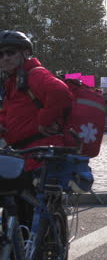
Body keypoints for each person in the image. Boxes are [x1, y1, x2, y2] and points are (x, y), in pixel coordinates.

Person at [0, 30, 72, 230]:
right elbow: (7, 113)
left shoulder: (35, 73)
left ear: (24, 53)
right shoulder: (13, 81)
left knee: (33, 214)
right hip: (22, 154)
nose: (5, 58)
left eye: (10, 52)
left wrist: (43, 120)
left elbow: (60, 92)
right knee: (15, 208)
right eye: (1, 54)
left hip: (42, 151)